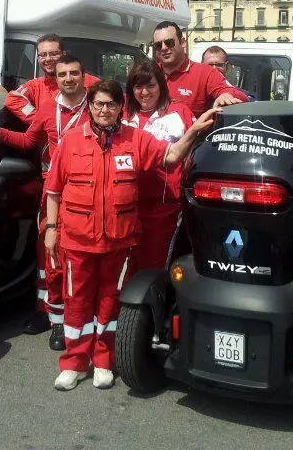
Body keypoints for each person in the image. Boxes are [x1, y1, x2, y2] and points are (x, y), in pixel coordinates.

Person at [43, 79, 217, 391]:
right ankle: (74, 362)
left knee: (110, 302)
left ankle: (103, 361)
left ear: (120, 108)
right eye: (98, 104)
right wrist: (51, 231)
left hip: (118, 242)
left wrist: (195, 131)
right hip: (77, 241)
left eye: (110, 104)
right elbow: (54, 190)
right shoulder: (71, 141)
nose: (104, 110)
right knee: (77, 302)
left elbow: (172, 156)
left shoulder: (136, 139)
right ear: (90, 108)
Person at [0, 54, 90, 349]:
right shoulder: (48, 108)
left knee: (82, 257)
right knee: (50, 256)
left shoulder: (97, 107)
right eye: (63, 74)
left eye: (74, 73)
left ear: (83, 76)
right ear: (56, 78)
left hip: (88, 189)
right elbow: (27, 142)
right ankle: (51, 317)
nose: (68, 79)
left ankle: (80, 319)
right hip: (53, 191)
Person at [122, 59, 195, 272]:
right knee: (127, 268)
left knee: (154, 268)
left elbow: (193, 153)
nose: (144, 92)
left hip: (163, 208)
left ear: (161, 85)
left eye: (150, 85)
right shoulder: (123, 114)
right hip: (125, 207)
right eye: (138, 86)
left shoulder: (179, 112)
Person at [152, 21, 246, 116]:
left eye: (169, 42)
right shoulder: (149, 73)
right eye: (158, 45)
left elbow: (241, 97)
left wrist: (226, 95)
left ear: (183, 42)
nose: (163, 48)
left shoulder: (204, 73)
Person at [4, 33, 99, 122]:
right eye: (43, 55)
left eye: (53, 54)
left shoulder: (91, 82)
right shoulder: (35, 85)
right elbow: (12, 99)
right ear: (38, 58)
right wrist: (39, 118)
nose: (48, 59)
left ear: (63, 55)